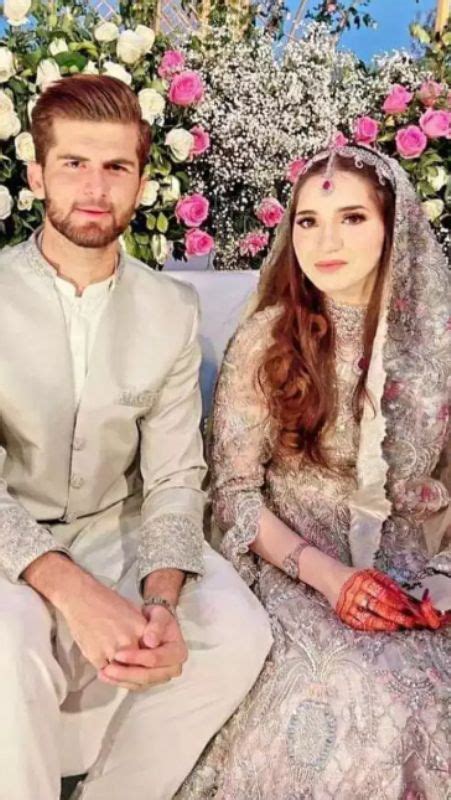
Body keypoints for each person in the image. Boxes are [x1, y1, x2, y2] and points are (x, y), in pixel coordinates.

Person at [0, 74, 272, 800]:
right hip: (7, 530)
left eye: (116, 167)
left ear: (142, 182)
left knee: (236, 632)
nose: (95, 188)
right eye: (73, 164)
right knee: (6, 643)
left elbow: (175, 477)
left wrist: (161, 600)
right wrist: (74, 593)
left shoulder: (171, 309)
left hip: (111, 528)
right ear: (37, 175)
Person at [177, 144, 451, 799]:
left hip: (413, 575)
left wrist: (442, 582)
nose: (325, 241)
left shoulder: (437, 343)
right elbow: (234, 495)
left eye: (352, 218)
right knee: (354, 692)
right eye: (308, 220)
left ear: (392, 226)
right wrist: (330, 579)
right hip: (294, 566)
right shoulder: (268, 339)